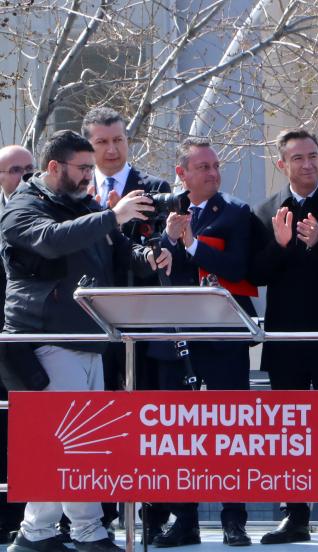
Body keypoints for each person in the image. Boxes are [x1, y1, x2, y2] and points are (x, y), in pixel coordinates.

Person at [0, 130, 170, 552]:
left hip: (90, 338)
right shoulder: (23, 206)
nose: (88, 177)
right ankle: (84, 530)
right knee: (73, 443)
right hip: (47, 339)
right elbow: (51, 240)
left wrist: (149, 257)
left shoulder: (87, 206)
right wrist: (112, 216)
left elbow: (120, 253)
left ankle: (38, 532)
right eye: (81, 168)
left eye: (89, 169)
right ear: (53, 167)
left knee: (73, 442)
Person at [248, 129, 318, 545]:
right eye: (298, 158)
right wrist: (279, 246)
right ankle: (294, 516)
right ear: (282, 165)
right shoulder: (267, 210)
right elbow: (255, 274)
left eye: (313, 155)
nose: (308, 164)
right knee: (288, 432)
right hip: (286, 339)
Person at [150, 137, 254, 548]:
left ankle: (234, 519)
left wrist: (192, 244)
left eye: (215, 166)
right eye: (203, 167)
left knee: (231, 431)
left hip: (222, 338)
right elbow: (155, 268)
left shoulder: (235, 212)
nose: (213, 173)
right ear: (182, 174)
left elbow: (237, 266)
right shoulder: (165, 210)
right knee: (178, 434)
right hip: (176, 336)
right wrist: (168, 240)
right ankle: (184, 519)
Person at [80, 106, 173, 541]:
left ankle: (150, 514)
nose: (112, 149)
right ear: (89, 146)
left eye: (118, 140)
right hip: (90, 322)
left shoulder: (153, 189)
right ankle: (94, 515)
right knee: (97, 419)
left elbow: (157, 248)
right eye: (102, 142)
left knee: (143, 420)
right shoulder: (77, 193)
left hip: (140, 323)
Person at [0, 145, 34, 543]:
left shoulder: (44, 214)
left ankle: (25, 520)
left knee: (24, 432)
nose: (24, 177)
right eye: (14, 170)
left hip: (26, 343)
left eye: (30, 169)